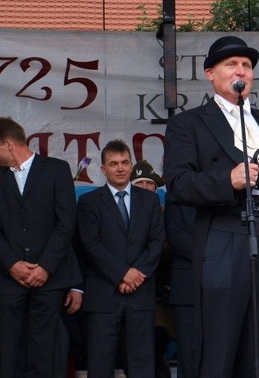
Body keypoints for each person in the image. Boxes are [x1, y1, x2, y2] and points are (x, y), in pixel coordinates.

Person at [162, 35, 259, 378]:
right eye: (231, 64)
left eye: (247, 66)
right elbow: (177, 184)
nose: (242, 71)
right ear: (210, 74)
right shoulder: (189, 123)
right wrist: (227, 180)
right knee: (220, 342)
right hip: (224, 235)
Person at [0, 116, 82, 378]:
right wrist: (11, 263)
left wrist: (45, 266)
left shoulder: (56, 169)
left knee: (44, 351)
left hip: (49, 278)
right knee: (7, 349)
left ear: (8, 144)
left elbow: (66, 223)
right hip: (8, 278)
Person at [77, 139, 165, 378]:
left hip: (141, 292)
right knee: (100, 363)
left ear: (131, 164)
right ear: (103, 169)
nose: (120, 168)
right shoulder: (89, 202)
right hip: (104, 295)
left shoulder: (150, 200)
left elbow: (157, 242)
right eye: (113, 163)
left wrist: (137, 275)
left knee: (142, 364)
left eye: (125, 162)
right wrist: (122, 274)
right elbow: (90, 245)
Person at [130, 160, 173, 378]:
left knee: (156, 348)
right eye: (139, 184)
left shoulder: (167, 215)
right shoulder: (122, 214)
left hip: (159, 300)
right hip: (128, 294)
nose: (145, 188)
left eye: (149, 184)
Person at [164, 202, 198, 378]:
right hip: (187, 288)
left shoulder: (224, 196)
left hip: (223, 285)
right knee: (188, 352)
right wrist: (211, 252)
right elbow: (175, 236)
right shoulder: (177, 200)